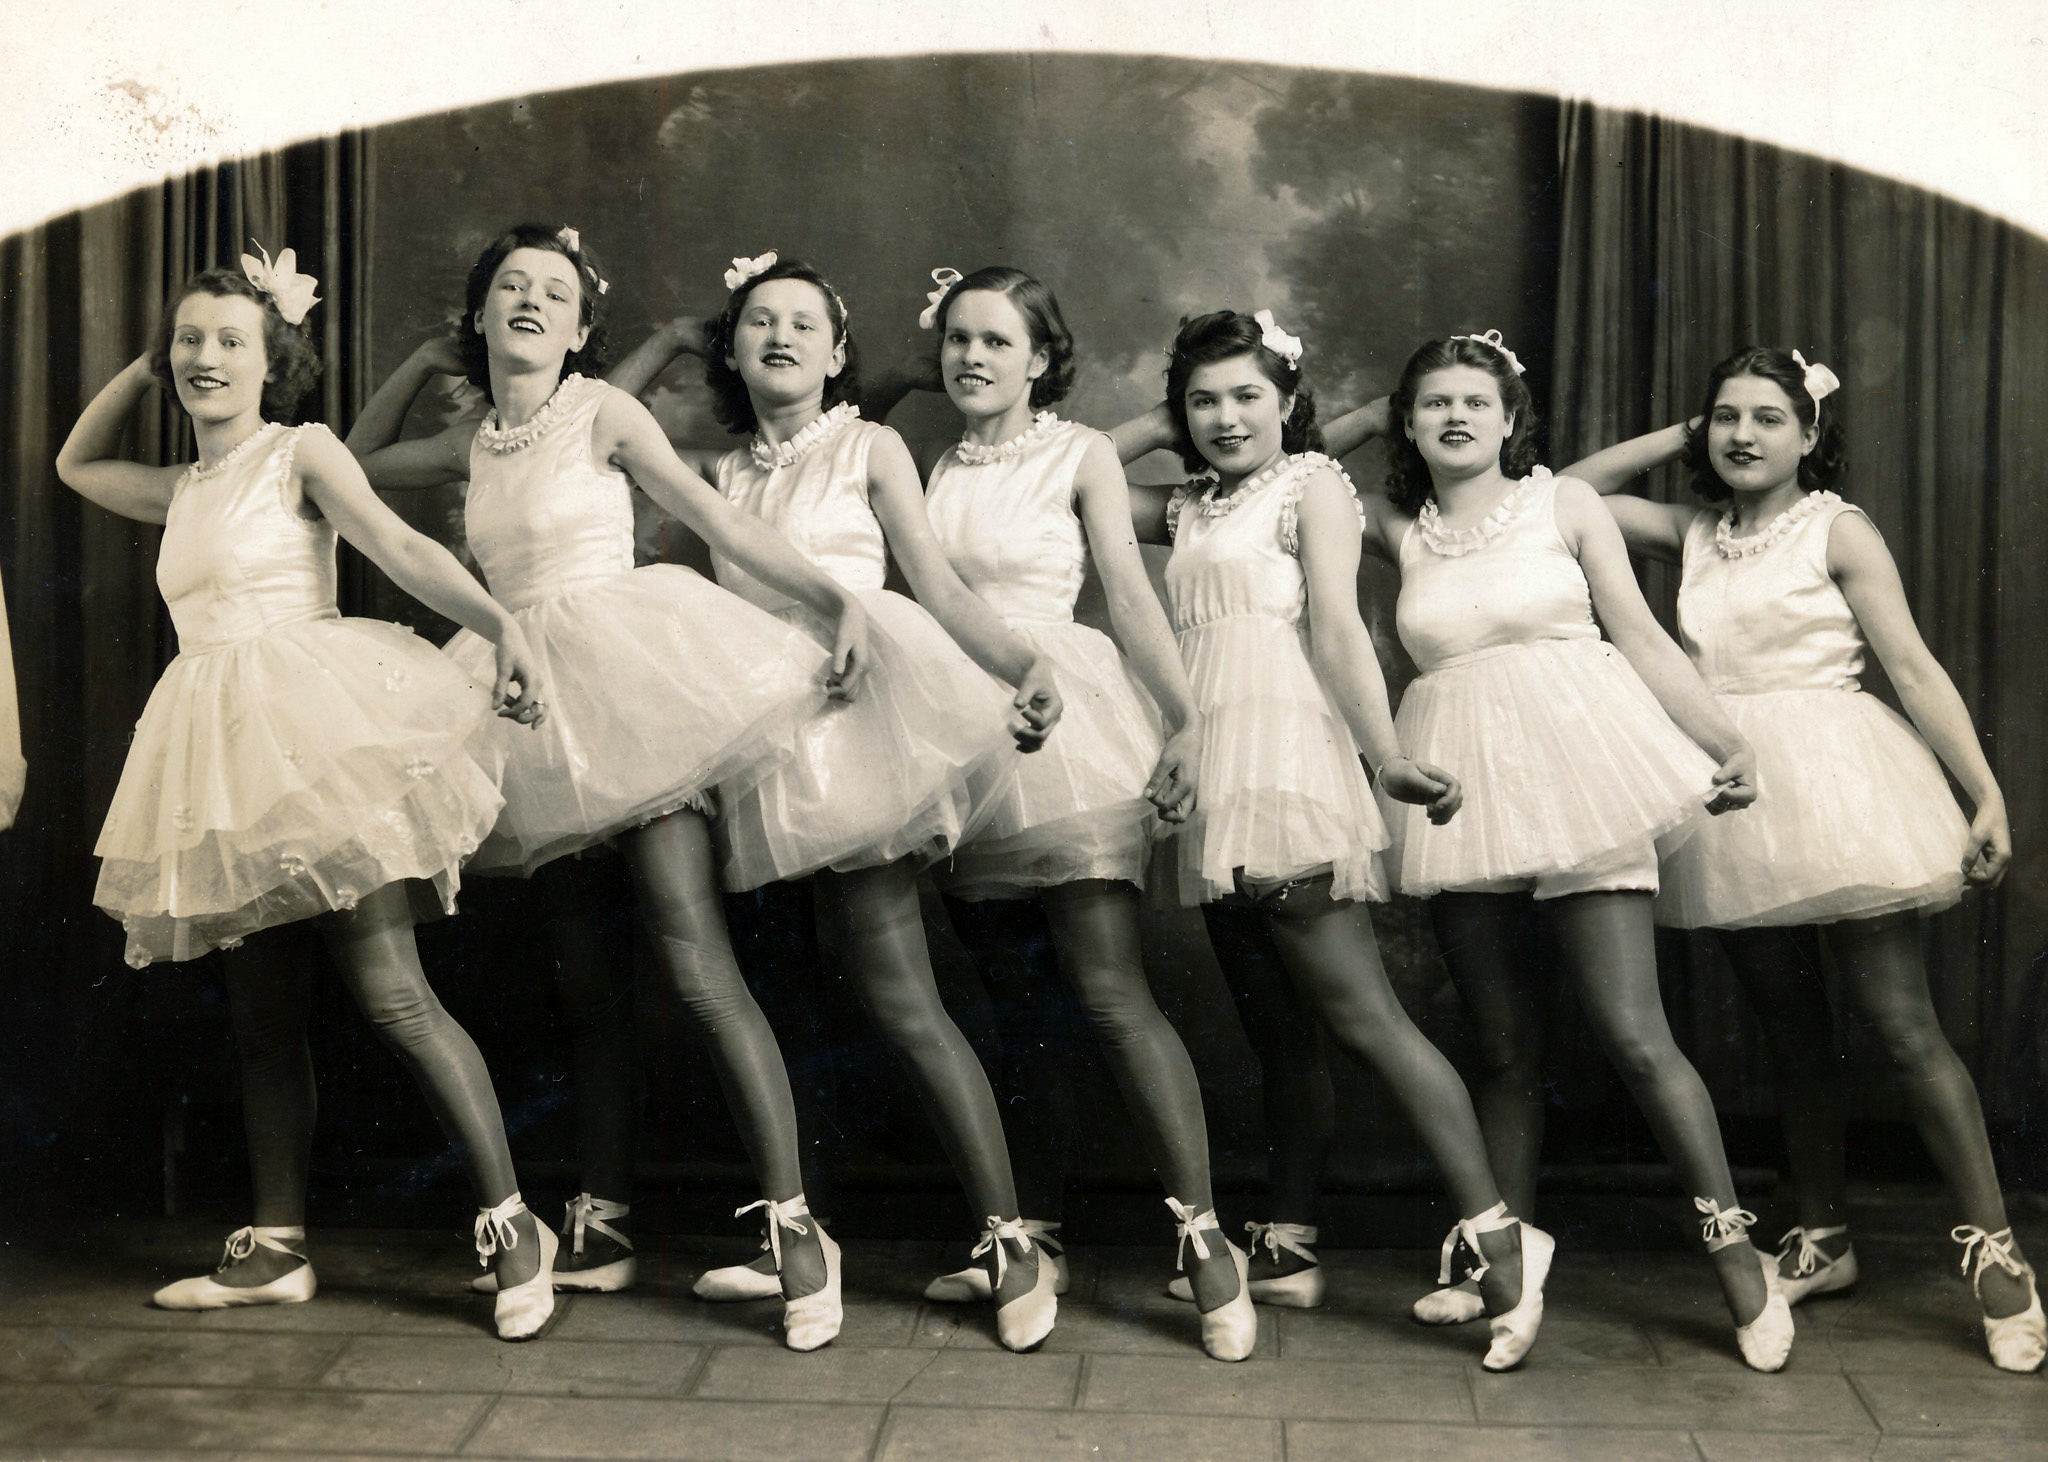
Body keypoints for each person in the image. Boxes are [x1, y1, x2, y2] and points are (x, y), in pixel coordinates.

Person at [347, 223, 871, 1351]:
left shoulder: (603, 412)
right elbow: (350, 464)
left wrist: (838, 604)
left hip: (631, 683)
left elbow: (716, 517)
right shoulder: (471, 442)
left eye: (554, 292)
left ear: (583, 330)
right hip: (525, 700)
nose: (529, 302)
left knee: (695, 965)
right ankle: (603, 1218)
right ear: (481, 315)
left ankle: (797, 1230)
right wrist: (422, 365)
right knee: (583, 978)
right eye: (509, 288)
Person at [55, 247, 559, 1341]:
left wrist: (500, 626)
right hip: (221, 759)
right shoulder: (179, 487)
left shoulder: (301, 450)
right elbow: (74, 462)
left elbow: (399, 543)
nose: (206, 358)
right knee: (263, 1019)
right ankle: (277, 1246)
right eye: (189, 340)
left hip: (316, 736)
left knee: (392, 995)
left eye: (230, 341)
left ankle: (515, 1226)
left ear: (272, 360)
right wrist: (146, 362)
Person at [1276, 329, 1790, 1370]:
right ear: (1409, 423)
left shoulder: (1567, 502)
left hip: (1584, 765)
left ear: (1512, 419)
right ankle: (1497, 1261)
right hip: (1464, 784)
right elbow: (1296, 475)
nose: (1455, 417)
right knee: (1502, 1046)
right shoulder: (1394, 526)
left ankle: (1737, 1257)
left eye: (1476, 401)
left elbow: (1639, 634)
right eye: (1433, 404)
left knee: (1633, 1034)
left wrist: (1724, 741)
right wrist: (1369, 414)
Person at [604, 251, 1067, 1351]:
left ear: (838, 351)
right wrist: (666, 337)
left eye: (804, 324)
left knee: (900, 996)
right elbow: (611, 461)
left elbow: (934, 581)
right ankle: (798, 1232)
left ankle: (1009, 1241)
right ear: (730, 348)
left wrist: (1022, 664)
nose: (780, 338)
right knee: (774, 993)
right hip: (745, 741)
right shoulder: (714, 473)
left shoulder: (870, 445)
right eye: (758, 322)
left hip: (853, 728)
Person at [1564, 346, 2040, 1372]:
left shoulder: (1837, 527)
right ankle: (1822, 1234)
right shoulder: (1691, 531)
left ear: (1809, 434)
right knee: (1787, 1028)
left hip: (1839, 777)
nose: (1742, 436)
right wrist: (1682, 436)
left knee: (1899, 1024)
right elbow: (1570, 492)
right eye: (1725, 418)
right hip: (1730, 783)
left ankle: (1997, 1257)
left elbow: (1910, 666)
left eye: (1767, 418)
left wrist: (1984, 792)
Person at [1110, 309, 1549, 1370]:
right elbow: (1071, 477)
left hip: (1280, 760)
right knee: (1276, 1025)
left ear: (1289, 404)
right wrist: (1164, 424)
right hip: (1204, 760)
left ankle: (1503, 1244)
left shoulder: (1310, 486)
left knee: (1364, 1017)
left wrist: (1384, 756)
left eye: (1246, 397)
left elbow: (1340, 629)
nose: (1224, 418)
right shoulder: (1187, 503)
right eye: (1202, 401)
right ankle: (1289, 1244)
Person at [865, 264, 1251, 1359]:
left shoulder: (1080, 453)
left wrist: (1183, 722)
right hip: (958, 724)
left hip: (1064, 721)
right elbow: (861, 424)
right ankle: (1033, 1233)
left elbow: (1128, 593)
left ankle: (1204, 1240)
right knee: (1014, 1000)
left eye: (997, 340)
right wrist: (915, 366)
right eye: (958, 340)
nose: (971, 358)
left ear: (1042, 359)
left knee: (1108, 991)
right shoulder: (927, 465)